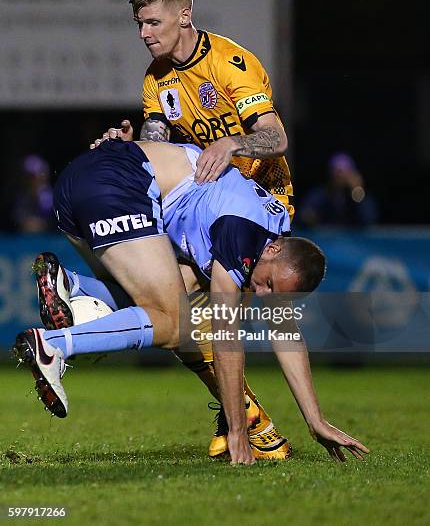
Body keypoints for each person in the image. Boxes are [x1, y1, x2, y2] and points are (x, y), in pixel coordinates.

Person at [15, 139, 369, 465]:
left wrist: (316, 419)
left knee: (168, 296)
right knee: (172, 323)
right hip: (120, 183)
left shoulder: (271, 232)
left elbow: (285, 332)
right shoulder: (244, 232)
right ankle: (52, 345)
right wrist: (236, 431)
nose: (263, 295)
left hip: (80, 184)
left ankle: (72, 284)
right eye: (270, 285)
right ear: (274, 250)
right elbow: (226, 338)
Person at [93, 0, 295, 457]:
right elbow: (159, 146)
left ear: (184, 16)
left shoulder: (232, 64)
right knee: (172, 319)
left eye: (153, 22)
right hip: (202, 207)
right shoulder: (156, 79)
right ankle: (245, 418)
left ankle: (246, 428)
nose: (144, 34)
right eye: (139, 24)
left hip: (254, 205)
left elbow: (277, 138)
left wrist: (232, 141)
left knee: (220, 324)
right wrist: (129, 150)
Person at [299, 153, 378, 227]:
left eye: (345, 172)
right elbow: (304, 217)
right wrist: (311, 217)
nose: (341, 176)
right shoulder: (320, 195)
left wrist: (357, 190)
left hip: (353, 240)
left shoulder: (358, 196)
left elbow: (369, 220)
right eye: (337, 171)